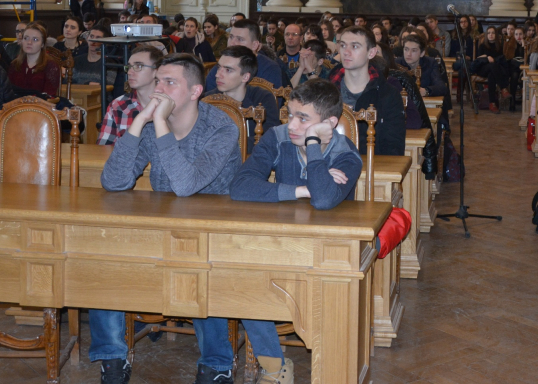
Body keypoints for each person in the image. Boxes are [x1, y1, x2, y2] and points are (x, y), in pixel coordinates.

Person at [90, 53, 243, 384]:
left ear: (194, 91)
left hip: (214, 231)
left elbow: (186, 186)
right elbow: (113, 182)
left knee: (200, 267)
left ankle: (217, 363)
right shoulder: (148, 128)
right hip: (161, 224)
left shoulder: (220, 128)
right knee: (100, 258)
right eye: (157, 80)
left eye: (169, 82)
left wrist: (158, 123)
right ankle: (112, 358)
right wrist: (137, 123)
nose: (158, 88)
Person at [230, 78, 364, 384]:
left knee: (334, 291)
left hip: (329, 251)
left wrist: (313, 145)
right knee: (244, 277)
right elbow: (240, 186)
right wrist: (302, 189)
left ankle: (333, 366)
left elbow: (326, 199)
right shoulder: (278, 138)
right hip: (282, 241)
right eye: (290, 114)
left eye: (304, 119)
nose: (292, 124)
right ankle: (275, 366)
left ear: (329, 123)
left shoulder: (346, 153)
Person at [328, 26, 405, 156]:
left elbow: (394, 148)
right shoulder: (324, 92)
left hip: (373, 168)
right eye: (343, 45)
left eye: (355, 46)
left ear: (371, 53)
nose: (346, 52)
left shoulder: (387, 95)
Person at [212, 46, 281, 153]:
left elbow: (270, 139)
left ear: (245, 77)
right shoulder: (208, 100)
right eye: (218, 67)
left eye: (228, 70)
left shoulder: (263, 99)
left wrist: (223, 144)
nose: (217, 75)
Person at [97, 44, 161, 145]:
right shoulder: (118, 105)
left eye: (138, 66)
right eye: (129, 66)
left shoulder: (170, 104)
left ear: (156, 71)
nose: (130, 72)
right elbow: (103, 149)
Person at [201, 20, 284, 92]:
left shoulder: (269, 68)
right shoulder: (221, 66)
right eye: (231, 37)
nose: (232, 43)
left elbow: (270, 105)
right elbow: (208, 98)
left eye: (240, 39)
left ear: (255, 45)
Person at [7, 22, 62, 98]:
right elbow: (8, 93)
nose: (29, 42)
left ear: (42, 44)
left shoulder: (51, 66)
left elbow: (49, 96)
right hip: (17, 108)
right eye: (26, 38)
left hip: (41, 108)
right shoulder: (14, 64)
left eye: (35, 39)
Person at [472, 25, 509, 112]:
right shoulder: (482, 46)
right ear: (486, 35)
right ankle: (503, 88)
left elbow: (501, 59)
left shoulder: (499, 46)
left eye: (492, 33)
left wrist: (493, 60)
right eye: (488, 33)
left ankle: (492, 104)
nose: (491, 35)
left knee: (491, 75)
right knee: (492, 66)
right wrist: (487, 58)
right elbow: (479, 59)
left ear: (496, 35)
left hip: (494, 70)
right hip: (482, 69)